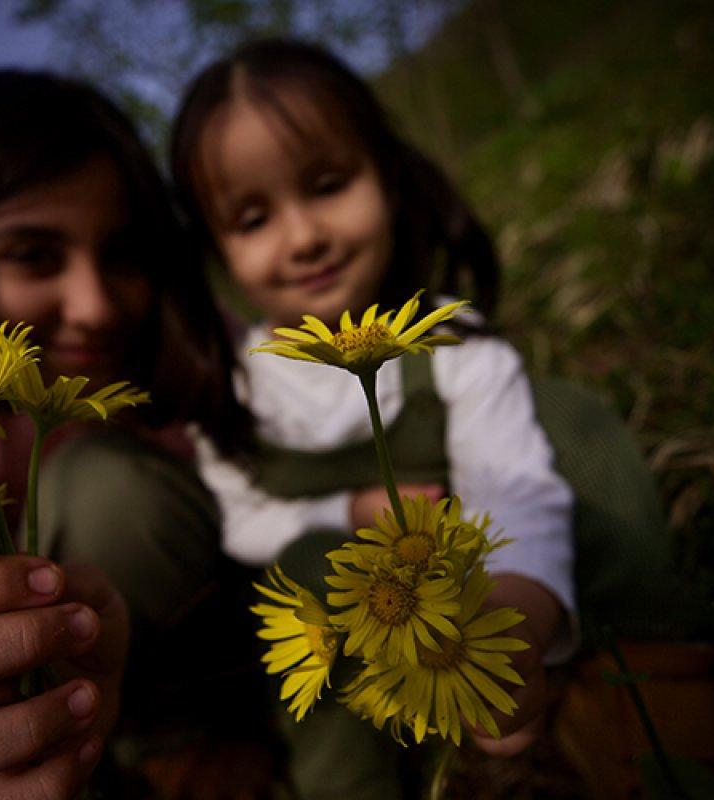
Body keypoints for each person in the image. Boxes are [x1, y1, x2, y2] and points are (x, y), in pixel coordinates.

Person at [169, 39, 578, 799]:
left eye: (328, 185)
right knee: (316, 568)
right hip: (330, 655)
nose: (303, 237)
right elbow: (241, 520)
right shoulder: (234, 391)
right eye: (253, 217)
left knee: (580, 434)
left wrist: (513, 627)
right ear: (216, 251)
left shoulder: (455, 347)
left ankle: (575, 731)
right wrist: (346, 510)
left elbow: (516, 489)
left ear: (387, 176)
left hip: (465, 622)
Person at [0, 68, 251, 797]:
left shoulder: (193, 341)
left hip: (219, 631)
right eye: (33, 255)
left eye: (123, 253)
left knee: (109, 490)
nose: (94, 306)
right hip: (60, 680)